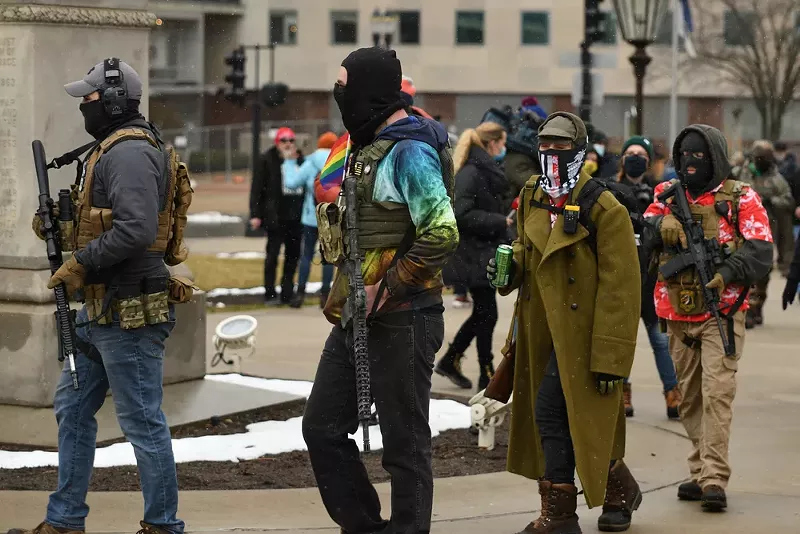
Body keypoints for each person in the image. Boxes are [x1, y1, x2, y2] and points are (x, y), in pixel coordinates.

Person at [17, 59, 189, 534]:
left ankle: (162, 525)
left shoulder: (129, 152)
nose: (83, 107)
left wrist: (80, 263)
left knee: (142, 424)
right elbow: (107, 222)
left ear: (112, 101)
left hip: (128, 309)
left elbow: (134, 231)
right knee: (73, 411)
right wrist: (58, 225)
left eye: (89, 99)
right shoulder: (106, 150)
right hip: (98, 308)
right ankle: (65, 519)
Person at [301, 47, 458, 534]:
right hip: (357, 314)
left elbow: (442, 230)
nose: (339, 93)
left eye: (346, 83)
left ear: (370, 88)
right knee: (322, 427)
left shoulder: (408, 149)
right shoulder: (362, 146)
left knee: (404, 443)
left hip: (405, 316)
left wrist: (386, 288)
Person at [489, 112, 643, 533]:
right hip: (542, 329)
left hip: (586, 334)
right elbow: (526, 248)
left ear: (579, 151)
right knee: (573, 415)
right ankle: (618, 489)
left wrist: (612, 355)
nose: (551, 156)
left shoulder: (604, 206)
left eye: (561, 148)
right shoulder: (532, 195)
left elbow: (622, 289)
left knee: (556, 410)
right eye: (545, 148)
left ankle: (559, 515)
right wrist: (510, 265)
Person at [644, 125, 773, 512]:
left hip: (723, 311)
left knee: (718, 392)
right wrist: (657, 225)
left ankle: (714, 476)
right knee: (690, 398)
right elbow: (642, 230)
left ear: (714, 158)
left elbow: (762, 250)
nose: (691, 164)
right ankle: (700, 468)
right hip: (676, 312)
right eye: (685, 157)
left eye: (699, 157)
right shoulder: (666, 196)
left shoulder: (740, 197)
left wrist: (729, 272)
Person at [437, 122, 512, 391]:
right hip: (473, 253)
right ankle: (486, 371)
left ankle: (454, 359)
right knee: (486, 314)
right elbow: (461, 213)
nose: (503, 149)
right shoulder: (473, 172)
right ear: (491, 144)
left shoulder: (481, 170)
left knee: (484, 313)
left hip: (480, 251)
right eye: (501, 143)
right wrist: (499, 221)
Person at [614, 136, 681, 419]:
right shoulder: (612, 190)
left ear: (649, 160)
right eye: (630, 153)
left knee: (660, 340)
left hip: (652, 277)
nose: (635, 158)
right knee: (621, 341)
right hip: (621, 277)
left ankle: (673, 393)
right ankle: (622, 392)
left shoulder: (661, 192)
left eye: (641, 154)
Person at [731, 140, 794, 326]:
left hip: (765, 231)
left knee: (763, 272)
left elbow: (787, 200)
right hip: (741, 231)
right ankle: (748, 308)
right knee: (745, 270)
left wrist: (771, 201)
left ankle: (757, 307)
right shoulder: (740, 174)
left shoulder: (777, 179)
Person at [249, 127, 305, 306]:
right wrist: (255, 214)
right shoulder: (267, 159)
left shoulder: (300, 159)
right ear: (277, 143)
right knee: (272, 256)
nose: (288, 144)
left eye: (291, 140)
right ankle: (269, 292)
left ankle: (287, 293)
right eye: (284, 141)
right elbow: (257, 189)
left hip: (296, 216)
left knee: (293, 256)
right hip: (275, 216)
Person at [281, 132, 337, 308]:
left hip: (310, 217)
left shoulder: (310, 162)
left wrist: (289, 162)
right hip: (331, 216)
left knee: (306, 256)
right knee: (329, 258)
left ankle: (300, 294)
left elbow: (291, 183)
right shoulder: (338, 163)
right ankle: (325, 295)